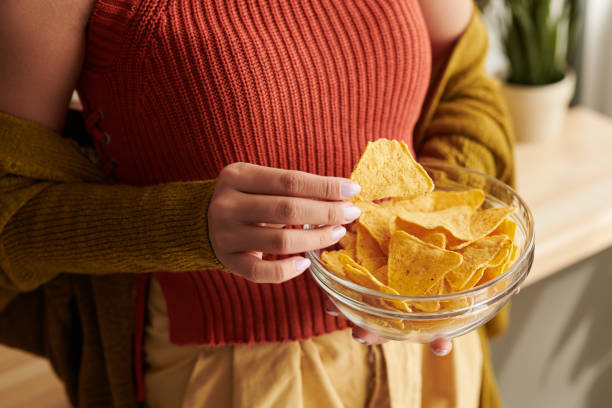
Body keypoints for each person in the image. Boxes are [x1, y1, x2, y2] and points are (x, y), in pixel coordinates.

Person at [0, 0, 514, 407]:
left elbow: (465, 82)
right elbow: (10, 203)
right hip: (235, 380)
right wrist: (188, 225)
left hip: (423, 354)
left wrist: (435, 238)